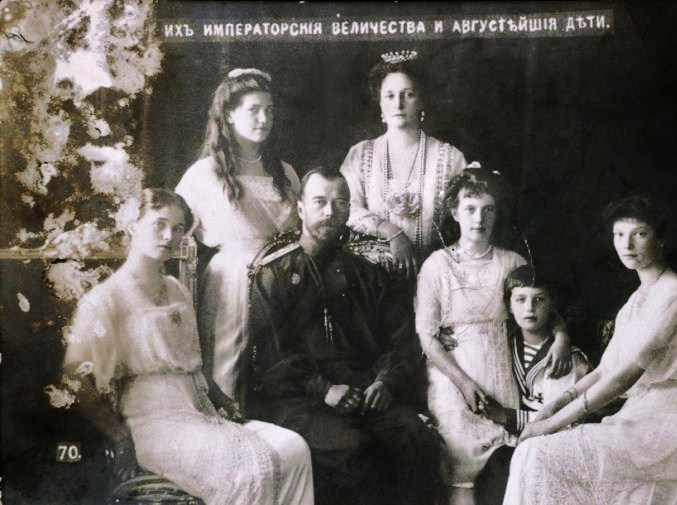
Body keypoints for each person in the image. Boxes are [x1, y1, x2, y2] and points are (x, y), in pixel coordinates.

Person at [61, 188, 313, 505]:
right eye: (159, 224)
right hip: (152, 424)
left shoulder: (177, 289)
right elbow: (73, 378)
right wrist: (118, 436)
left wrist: (222, 399)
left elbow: (193, 363)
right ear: (133, 226)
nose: (169, 236)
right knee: (248, 470)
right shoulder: (106, 298)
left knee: (295, 448)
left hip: (197, 410)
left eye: (178, 228)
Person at [245, 167, 440, 505]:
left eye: (339, 203)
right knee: (352, 449)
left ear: (349, 210)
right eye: (319, 202)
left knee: (415, 437)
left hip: (364, 392)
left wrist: (385, 381)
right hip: (298, 398)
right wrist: (324, 389)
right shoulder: (274, 274)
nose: (329, 212)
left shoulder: (368, 274)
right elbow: (271, 357)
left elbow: (399, 339)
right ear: (301, 208)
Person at [504, 195, 677, 505]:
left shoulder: (673, 294)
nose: (627, 244)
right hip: (637, 415)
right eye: (619, 234)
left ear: (661, 238)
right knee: (532, 450)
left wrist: (551, 424)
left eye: (640, 233)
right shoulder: (637, 299)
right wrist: (551, 409)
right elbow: (604, 371)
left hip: (664, 427)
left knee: (537, 451)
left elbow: (623, 378)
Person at [414, 168, 572, 505]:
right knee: (461, 451)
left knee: (506, 452)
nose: (479, 219)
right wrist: (463, 383)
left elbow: (541, 308)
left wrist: (561, 336)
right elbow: (426, 336)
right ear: (455, 212)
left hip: (501, 367)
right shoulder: (436, 266)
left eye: (488, 209)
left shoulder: (511, 262)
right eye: (470, 209)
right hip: (452, 372)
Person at [175, 68, 300, 399]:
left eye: (269, 110)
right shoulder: (204, 174)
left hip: (284, 280)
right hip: (233, 282)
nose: (264, 119)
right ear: (229, 115)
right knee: (230, 371)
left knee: (283, 368)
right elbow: (177, 231)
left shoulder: (285, 172)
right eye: (254, 110)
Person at [340, 49, 467, 279]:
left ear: (422, 100)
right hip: (371, 278)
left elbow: (466, 217)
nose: (398, 104)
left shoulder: (450, 158)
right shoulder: (361, 154)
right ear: (380, 102)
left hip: (435, 275)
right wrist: (390, 231)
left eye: (408, 94)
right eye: (389, 96)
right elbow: (347, 207)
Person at [475, 265, 590, 505]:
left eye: (539, 299)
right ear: (508, 305)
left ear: (552, 305)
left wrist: (508, 416)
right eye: (520, 300)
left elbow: (562, 418)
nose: (529, 308)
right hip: (517, 435)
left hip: (554, 436)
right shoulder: (505, 344)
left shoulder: (566, 358)